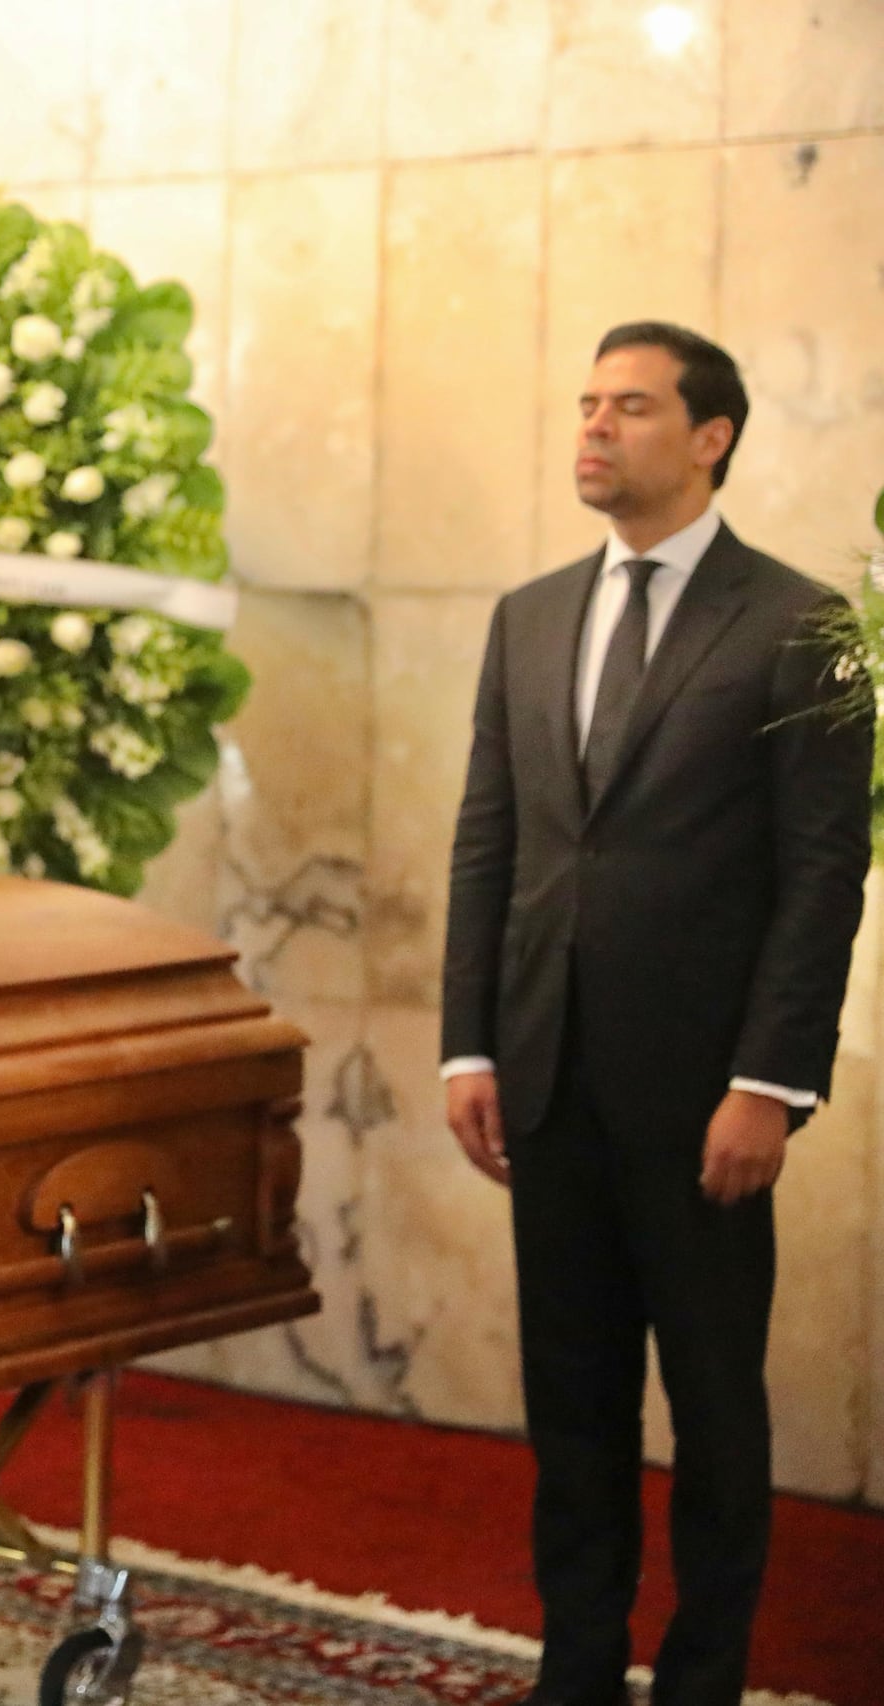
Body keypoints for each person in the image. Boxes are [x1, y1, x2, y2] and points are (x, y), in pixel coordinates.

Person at [440, 323, 870, 1706]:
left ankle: (703, 1677)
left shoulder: (797, 623)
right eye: (586, 403)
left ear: (711, 435)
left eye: (630, 406)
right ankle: (578, 1668)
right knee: (574, 1410)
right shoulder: (532, 615)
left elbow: (822, 878)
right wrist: (469, 1041)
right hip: (547, 1082)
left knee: (714, 1409)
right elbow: (488, 845)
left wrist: (773, 1082)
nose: (595, 426)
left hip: (705, 1103)